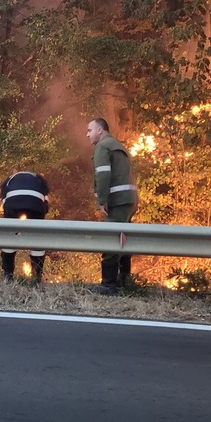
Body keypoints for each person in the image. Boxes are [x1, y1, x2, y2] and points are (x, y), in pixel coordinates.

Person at [87, 117, 138, 293]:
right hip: (129, 200)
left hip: (117, 201)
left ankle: (108, 285)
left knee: (110, 239)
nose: (87, 135)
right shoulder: (118, 145)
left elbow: (103, 175)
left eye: (90, 130)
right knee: (123, 241)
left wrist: (102, 200)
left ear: (100, 130)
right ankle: (125, 281)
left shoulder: (103, 146)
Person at [0, 170, 49, 284]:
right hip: (35, 205)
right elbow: (46, 206)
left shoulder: (9, 180)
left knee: (9, 240)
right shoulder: (40, 180)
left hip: (13, 204)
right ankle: (36, 278)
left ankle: (8, 276)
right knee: (37, 242)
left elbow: (4, 205)